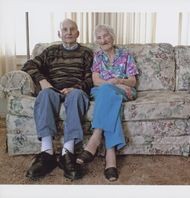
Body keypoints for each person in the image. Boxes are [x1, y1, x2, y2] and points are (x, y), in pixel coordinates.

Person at [22, 18, 93, 180]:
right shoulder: (51, 51)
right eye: (65, 29)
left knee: (76, 96)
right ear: (59, 33)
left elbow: (91, 78)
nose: (68, 32)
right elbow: (28, 65)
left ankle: (67, 154)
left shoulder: (86, 53)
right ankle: (46, 153)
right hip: (53, 89)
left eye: (72, 29)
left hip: (75, 89)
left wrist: (77, 88)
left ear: (78, 33)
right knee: (45, 94)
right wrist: (42, 81)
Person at [76, 24, 139, 182]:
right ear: (96, 41)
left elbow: (132, 81)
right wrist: (111, 85)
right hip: (104, 91)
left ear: (113, 36)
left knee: (108, 93)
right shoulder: (97, 56)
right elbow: (96, 80)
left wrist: (118, 80)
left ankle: (95, 137)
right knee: (109, 96)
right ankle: (110, 158)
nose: (103, 39)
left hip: (123, 89)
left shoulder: (125, 55)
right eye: (99, 37)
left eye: (106, 35)